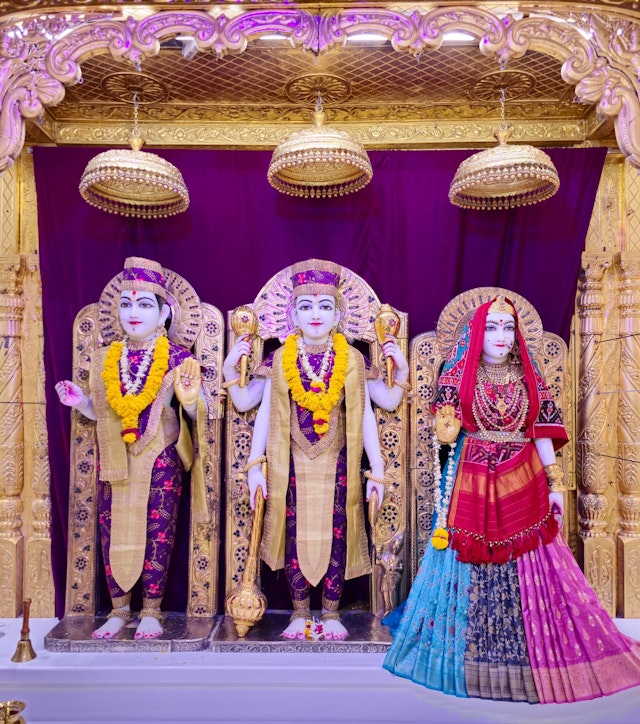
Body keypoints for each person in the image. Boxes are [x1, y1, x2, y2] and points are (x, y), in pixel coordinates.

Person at [383, 294, 640, 702]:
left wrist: (555, 484)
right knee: (469, 557)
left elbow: (541, 430)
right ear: (476, 334)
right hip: (472, 476)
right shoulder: (459, 374)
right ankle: (473, 651)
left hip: (523, 476)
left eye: (507, 328)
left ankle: (527, 647)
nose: (500, 336)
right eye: (491, 328)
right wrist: (440, 414)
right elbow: (444, 432)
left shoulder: (528, 376)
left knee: (531, 556)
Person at [227, 259, 409, 641]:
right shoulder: (280, 359)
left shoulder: (352, 360)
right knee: (293, 533)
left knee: (338, 533)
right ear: (292, 315)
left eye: (325, 306)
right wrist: (254, 465)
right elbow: (254, 408)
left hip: (339, 463)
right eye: (305, 306)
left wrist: (377, 470)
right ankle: (299, 613)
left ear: (339, 315)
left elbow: (377, 408)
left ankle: (330, 613)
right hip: (290, 464)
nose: (315, 314)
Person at [55, 257, 207, 641]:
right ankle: (119, 610)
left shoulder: (178, 358)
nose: (133, 312)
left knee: (158, 529)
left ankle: (152, 611)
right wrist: (80, 402)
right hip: (115, 454)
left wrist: (191, 399)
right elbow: (102, 410)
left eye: (144, 304)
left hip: (161, 455)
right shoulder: (107, 358)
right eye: (126, 304)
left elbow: (199, 412)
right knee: (113, 528)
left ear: (164, 313)